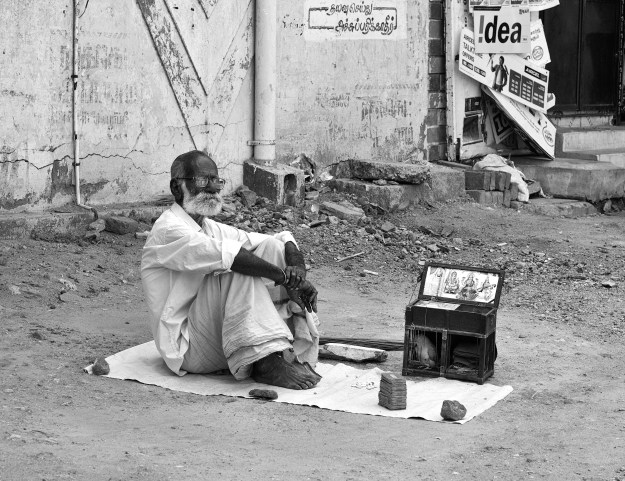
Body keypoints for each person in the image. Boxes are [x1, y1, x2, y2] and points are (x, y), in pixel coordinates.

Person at [141, 150, 321, 390]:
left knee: (272, 248)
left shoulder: (209, 227)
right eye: (203, 181)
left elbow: (277, 238)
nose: (214, 188)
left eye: (217, 181)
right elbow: (232, 257)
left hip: (218, 342)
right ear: (177, 187)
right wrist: (284, 278)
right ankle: (265, 362)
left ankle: (277, 351)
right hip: (189, 349)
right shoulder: (168, 229)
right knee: (235, 265)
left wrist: (296, 269)